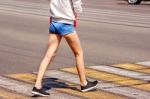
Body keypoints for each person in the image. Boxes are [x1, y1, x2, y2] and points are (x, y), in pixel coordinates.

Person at [32, 0, 98, 96]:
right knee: (79, 53)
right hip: (66, 24)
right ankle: (84, 84)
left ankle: (37, 86)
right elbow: (77, 4)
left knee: (48, 55)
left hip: (54, 23)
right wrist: (77, 10)